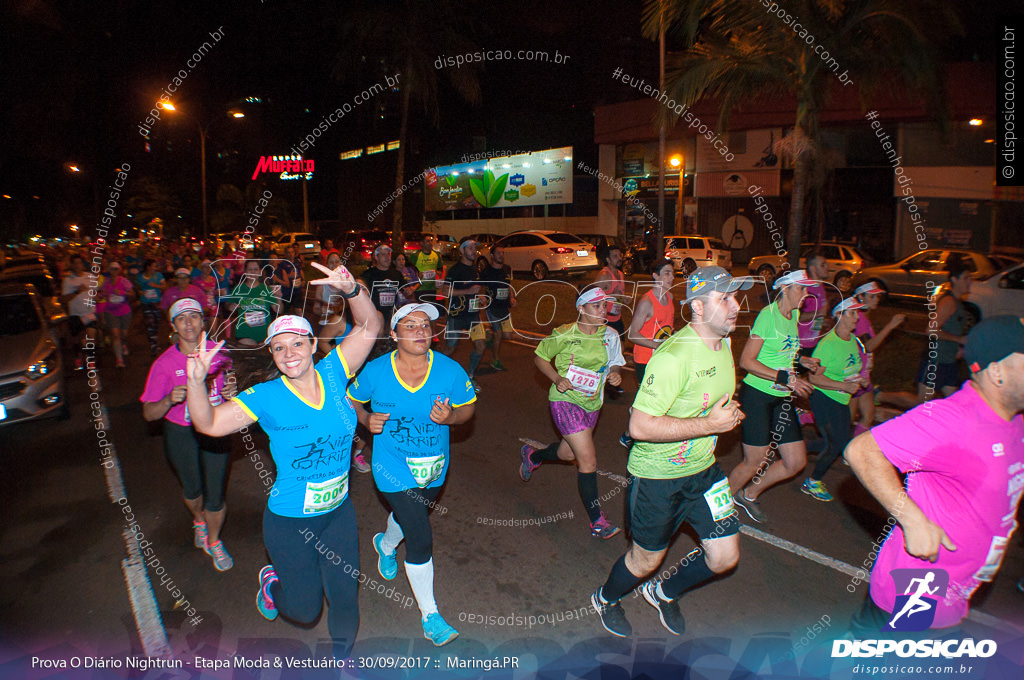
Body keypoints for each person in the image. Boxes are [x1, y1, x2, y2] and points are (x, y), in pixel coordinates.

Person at [185, 262, 379, 659]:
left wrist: (352, 289)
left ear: (311, 345)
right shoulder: (265, 397)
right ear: (272, 355)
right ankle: (272, 583)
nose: (289, 353)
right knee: (305, 611)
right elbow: (208, 424)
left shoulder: (335, 370)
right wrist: (196, 381)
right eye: (278, 347)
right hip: (289, 522)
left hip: (338, 513)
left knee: (345, 598)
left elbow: (370, 326)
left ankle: (339, 662)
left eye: (296, 343)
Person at [590, 266, 750, 637]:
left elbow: (712, 399)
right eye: (724, 297)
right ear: (696, 306)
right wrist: (710, 425)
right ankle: (605, 597)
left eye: (735, 296)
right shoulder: (673, 357)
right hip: (658, 478)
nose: (736, 305)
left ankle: (663, 593)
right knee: (645, 561)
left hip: (705, 471)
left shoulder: (724, 343)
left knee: (725, 557)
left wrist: (727, 414)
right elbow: (639, 427)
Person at [845, 315, 1024, 634]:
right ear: (997, 372)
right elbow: (862, 451)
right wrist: (912, 520)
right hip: (919, 588)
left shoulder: (1015, 422)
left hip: (958, 588)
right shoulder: (954, 420)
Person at [348, 302, 477, 646]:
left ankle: (385, 544)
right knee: (420, 535)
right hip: (391, 468)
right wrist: (365, 419)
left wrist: (450, 418)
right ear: (393, 335)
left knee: (410, 516)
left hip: (434, 469)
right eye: (410, 325)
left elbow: (468, 409)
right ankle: (431, 615)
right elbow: (350, 399)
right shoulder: (376, 371)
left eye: (425, 325)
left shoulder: (450, 371)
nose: (421, 331)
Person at [521, 287, 626, 538]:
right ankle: (597, 521)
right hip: (565, 400)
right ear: (581, 308)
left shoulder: (610, 335)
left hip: (592, 403)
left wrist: (615, 375)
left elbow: (616, 363)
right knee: (587, 460)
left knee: (568, 453)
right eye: (597, 306)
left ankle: (534, 457)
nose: (604, 311)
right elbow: (540, 357)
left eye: (605, 306)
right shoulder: (564, 333)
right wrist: (557, 378)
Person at [140, 298, 236, 571]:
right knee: (193, 489)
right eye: (182, 318)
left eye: (194, 316)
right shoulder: (164, 364)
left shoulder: (220, 352)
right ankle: (198, 520)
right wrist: (170, 399)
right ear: (173, 326)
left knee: (215, 494)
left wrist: (232, 390)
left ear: (202, 321)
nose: (189, 323)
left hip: (216, 430)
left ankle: (214, 540)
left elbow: (233, 381)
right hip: (181, 433)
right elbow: (149, 413)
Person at [729, 269, 822, 523]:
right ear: (785, 288)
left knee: (795, 461)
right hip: (757, 395)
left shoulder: (793, 315)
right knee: (754, 461)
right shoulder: (767, 317)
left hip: (780, 397)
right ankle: (718, 506)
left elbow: (782, 352)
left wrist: (803, 360)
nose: (806, 294)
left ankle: (748, 495)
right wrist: (788, 379)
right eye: (801, 288)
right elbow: (747, 360)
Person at [799, 297, 871, 502]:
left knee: (835, 442)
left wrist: (860, 379)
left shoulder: (852, 340)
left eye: (858, 313)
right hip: (824, 398)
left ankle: (795, 448)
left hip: (841, 399)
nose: (858, 317)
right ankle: (813, 481)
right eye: (852, 313)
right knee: (837, 443)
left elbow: (848, 369)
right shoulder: (828, 345)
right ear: (839, 315)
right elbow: (814, 377)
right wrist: (844, 386)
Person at [620, 260, 676, 448]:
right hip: (645, 359)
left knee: (656, 398)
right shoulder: (646, 302)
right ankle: (632, 433)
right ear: (655, 276)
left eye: (672, 273)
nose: (672, 277)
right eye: (667, 273)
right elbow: (632, 334)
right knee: (651, 399)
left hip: (661, 358)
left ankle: (633, 426)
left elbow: (667, 328)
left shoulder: (670, 299)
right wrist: (655, 344)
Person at [849, 281, 905, 433]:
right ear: (861, 297)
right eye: (872, 296)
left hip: (863, 373)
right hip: (855, 374)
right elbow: (867, 346)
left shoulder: (864, 318)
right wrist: (890, 326)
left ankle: (852, 449)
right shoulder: (859, 318)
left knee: (868, 415)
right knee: (848, 419)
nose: (877, 300)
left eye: (877, 296)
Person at [440, 239, 486, 392]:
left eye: (475, 248)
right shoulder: (455, 270)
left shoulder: (475, 270)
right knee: (450, 348)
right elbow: (445, 292)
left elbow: (473, 291)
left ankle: (471, 376)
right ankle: (434, 371)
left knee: (481, 345)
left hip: (473, 315)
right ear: (462, 251)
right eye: (470, 248)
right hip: (456, 316)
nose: (474, 251)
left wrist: (479, 297)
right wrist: (468, 292)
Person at [475, 244, 516, 371]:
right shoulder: (486, 272)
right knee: (498, 333)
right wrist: (480, 297)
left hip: (504, 307)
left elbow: (509, 285)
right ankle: (495, 360)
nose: (501, 255)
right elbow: (477, 287)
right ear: (492, 256)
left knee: (508, 336)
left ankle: (489, 333)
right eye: (498, 253)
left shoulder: (507, 269)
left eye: (503, 253)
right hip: (491, 307)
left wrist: (512, 297)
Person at [594, 243, 627, 399]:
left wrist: (623, 299)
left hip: (617, 318)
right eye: (615, 256)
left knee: (620, 349)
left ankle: (612, 382)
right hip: (605, 321)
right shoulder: (604, 275)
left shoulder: (620, 274)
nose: (619, 258)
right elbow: (593, 297)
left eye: (620, 255)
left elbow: (619, 295)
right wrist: (609, 297)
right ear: (607, 259)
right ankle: (603, 383)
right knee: (606, 353)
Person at [224, 260, 282, 347]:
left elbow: (278, 310)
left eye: (256, 269)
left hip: (264, 333)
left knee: (263, 358)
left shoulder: (266, 289)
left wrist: (279, 298)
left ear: (260, 272)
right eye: (250, 269)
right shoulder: (239, 289)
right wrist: (230, 306)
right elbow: (227, 305)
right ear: (245, 272)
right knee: (250, 356)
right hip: (245, 332)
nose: (253, 272)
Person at [61, 254, 98, 370]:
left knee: (91, 337)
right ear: (71, 265)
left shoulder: (90, 276)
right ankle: (79, 356)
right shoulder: (68, 281)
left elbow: (95, 292)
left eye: (80, 263)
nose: (78, 265)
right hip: (76, 315)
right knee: (77, 340)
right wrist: (77, 292)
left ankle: (91, 362)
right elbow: (63, 299)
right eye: (75, 263)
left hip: (89, 313)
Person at [97, 261, 135, 368]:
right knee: (115, 334)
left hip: (124, 310)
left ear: (119, 270)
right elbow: (100, 294)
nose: (114, 271)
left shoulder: (124, 281)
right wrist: (101, 295)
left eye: (116, 269)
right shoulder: (106, 282)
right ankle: (119, 359)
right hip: (110, 311)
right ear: (109, 270)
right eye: (112, 269)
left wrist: (123, 293)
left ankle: (124, 343)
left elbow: (132, 294)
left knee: (124, 334)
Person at [361, 244, 403, 331]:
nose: (387, 257)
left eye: (388, 254)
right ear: (376, 257)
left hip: (391, 317)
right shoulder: (368, 274)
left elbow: (406, 290)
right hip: (374, 316)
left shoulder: (397, 274)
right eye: (383, 254)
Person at [797, 252, 831, 357]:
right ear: (813, 269)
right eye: (822, 265)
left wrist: (822, 321)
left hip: (814, 341)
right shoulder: (806, 289)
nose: (827, 267)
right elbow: (797, 317)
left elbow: (813, 314)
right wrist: (819, 313)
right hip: (801, 343)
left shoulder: (820, 287)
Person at [137, 259, 167, 356]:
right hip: (146, 302)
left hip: (157, 302)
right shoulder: (141, 277)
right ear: (148, 267)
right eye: (154, 266)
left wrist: (156, 286)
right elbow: (137, 288)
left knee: (156, 322)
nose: (156, 268)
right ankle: (153, 344)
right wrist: (140, 292)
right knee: (150, 322)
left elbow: (164, 287)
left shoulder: (158, 276)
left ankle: (153, 338)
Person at [411, 235, 443, 303]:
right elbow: (409, 271)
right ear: (422, 243)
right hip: (419, 289)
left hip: (432, 289)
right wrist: (417, 275)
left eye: (431, 241)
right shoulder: (416, 256)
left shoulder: (436, 255)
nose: (430, 243)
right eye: (427, 241)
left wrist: (438, 273)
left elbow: (441, 269)